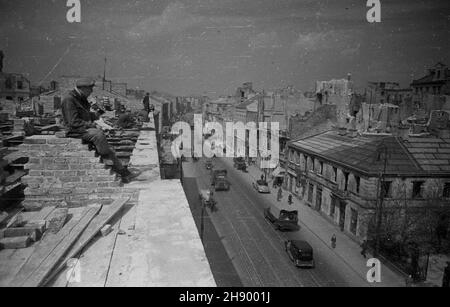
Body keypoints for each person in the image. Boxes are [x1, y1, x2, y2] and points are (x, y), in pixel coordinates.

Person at [61, 77, 140, 183]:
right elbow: (73, 122)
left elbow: (86, 115)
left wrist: (99, 117)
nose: (91, 91)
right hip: (75, 131)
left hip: (82, 129)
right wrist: (93, 125)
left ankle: (123, 172)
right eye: (90, 89)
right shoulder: (69, 99)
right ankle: (106, 155)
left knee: (105, 143)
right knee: (98, 134)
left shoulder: (80, 98)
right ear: (83, 88)